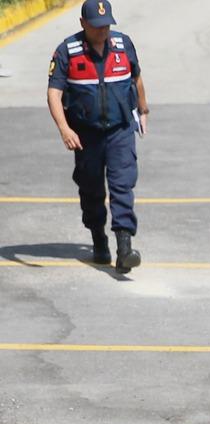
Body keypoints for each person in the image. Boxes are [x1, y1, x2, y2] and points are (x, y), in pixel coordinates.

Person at [47, 0, 149, 273]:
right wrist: (64, 129)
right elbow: (54, 93)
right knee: (91, 188)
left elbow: (136, 78)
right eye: (96, 26)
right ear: (83, 24)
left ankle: (124, 248)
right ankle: (98, 239)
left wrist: (143, 108)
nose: (103, 31)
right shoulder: (67, 51)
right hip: (86, 135)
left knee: (122, 185)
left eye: (106, 26)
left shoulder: (123, 44)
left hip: (120, 130)